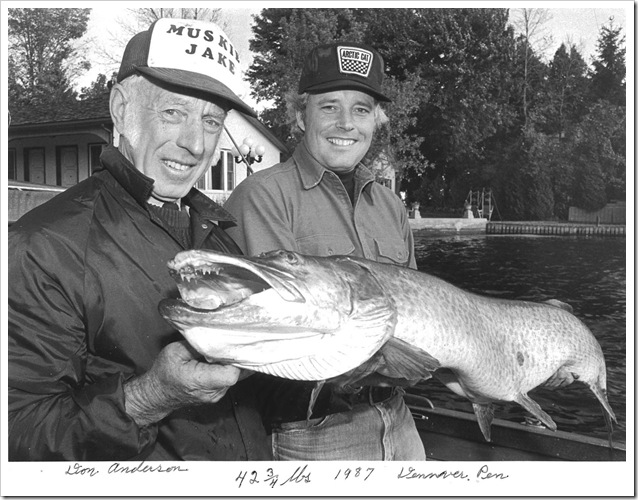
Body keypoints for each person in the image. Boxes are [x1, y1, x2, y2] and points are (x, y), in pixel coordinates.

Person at [8, 18, 271, 461]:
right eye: (172, 112)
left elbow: (248, 403)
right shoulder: (44, 245)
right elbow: (21, 435)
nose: (194, 144)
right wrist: (151, 397)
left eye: (210, 121)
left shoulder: (215, 234)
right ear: (120, 109)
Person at [223, 42, 425, 460]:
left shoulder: (390, 205)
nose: (347, 124)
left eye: (362, 109)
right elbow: (287, 336)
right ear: (301, 115)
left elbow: (417, 316)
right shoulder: (262, 196)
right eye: (330, 106)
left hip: (399, 421)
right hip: (314, 431)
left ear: (376, 122)